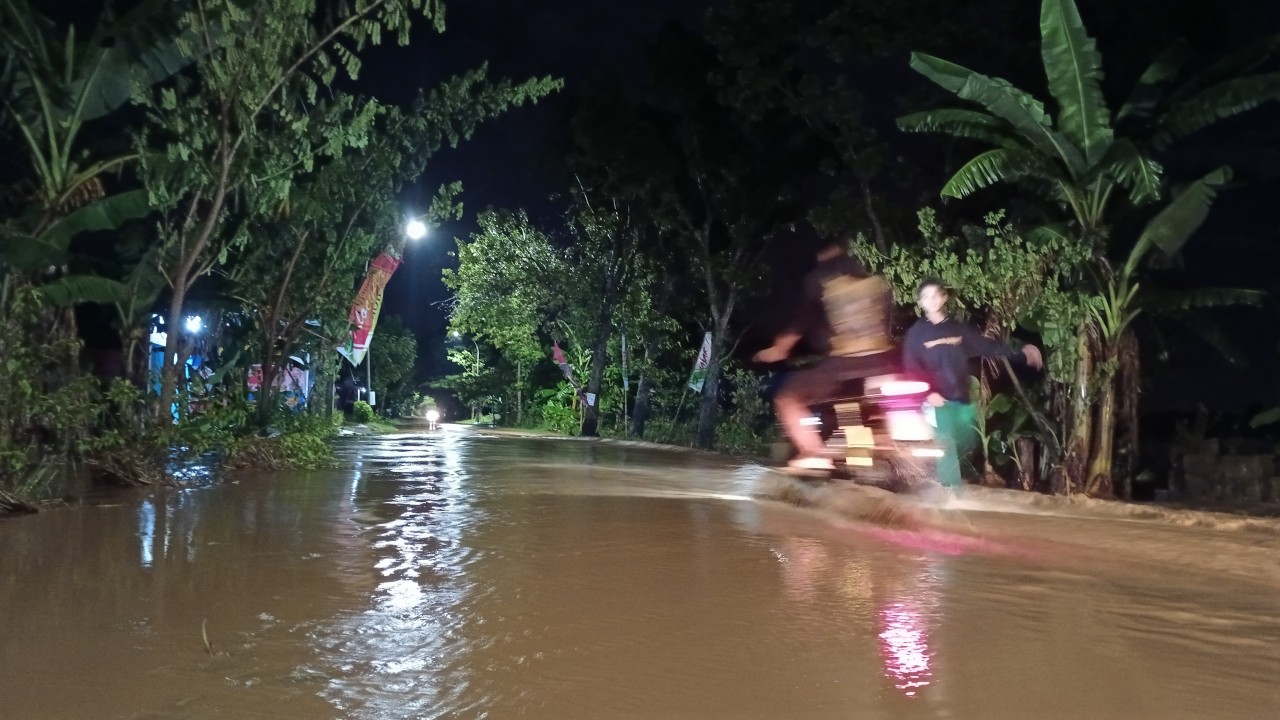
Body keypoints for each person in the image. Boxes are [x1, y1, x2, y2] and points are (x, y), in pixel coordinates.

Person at [755, 241, 897, 472]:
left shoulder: (821, 279)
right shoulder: (877, 281)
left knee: (787, 397)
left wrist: (777, 350)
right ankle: (867, 451)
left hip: (845, 364)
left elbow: (801, 322)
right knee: (848, 402)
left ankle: (814, 453)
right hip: (883, 362)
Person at [904, 278, 1043, 488]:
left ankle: (936, 479)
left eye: (935, 295)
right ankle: (950, 494)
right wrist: (929, 392)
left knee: (968, 442)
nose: (931, 301)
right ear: (920, 303)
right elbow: (911, 368)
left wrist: (1022, 356)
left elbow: (987, 347)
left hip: (961, 399)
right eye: (925, 297)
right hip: (936, 402)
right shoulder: (916, 334)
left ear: (944, 297)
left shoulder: (958, 329)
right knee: (947, 444)